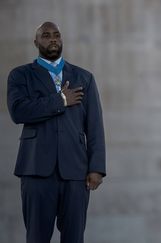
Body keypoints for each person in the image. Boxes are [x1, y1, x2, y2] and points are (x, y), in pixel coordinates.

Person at [7, 21, 106, 243]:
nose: (52, 38)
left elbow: (95, 126)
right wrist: (60, 100)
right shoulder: (21, 75)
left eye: (57, 35)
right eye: (46, 35)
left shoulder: (84, 77)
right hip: (36, 170)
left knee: (74, 238)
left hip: (76, 171)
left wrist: (97, 167)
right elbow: (18, 111)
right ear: (36, 42)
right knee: (37, 237)